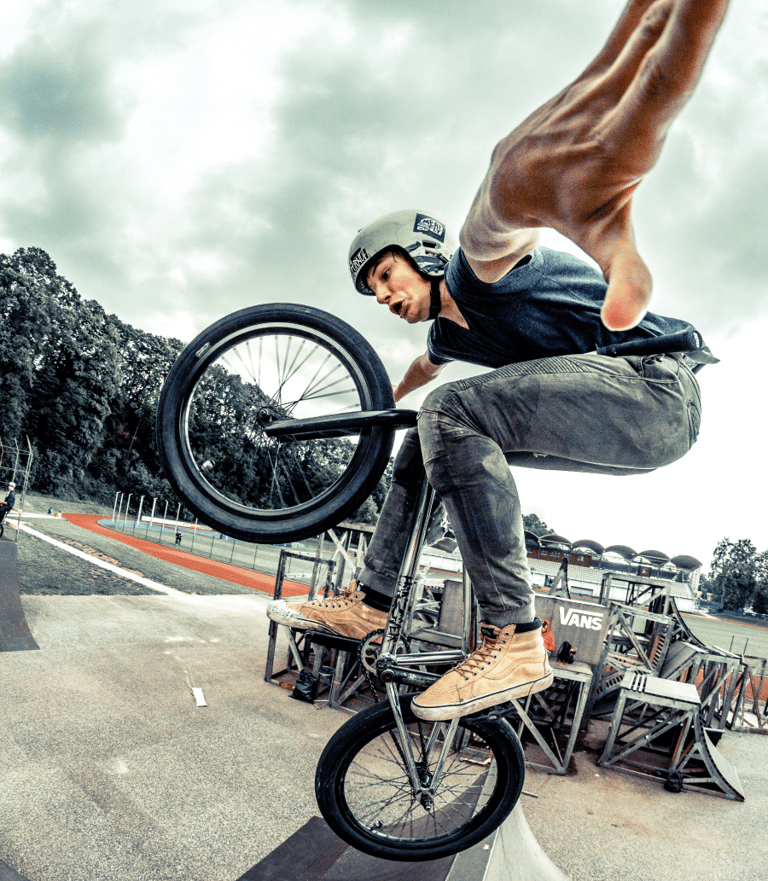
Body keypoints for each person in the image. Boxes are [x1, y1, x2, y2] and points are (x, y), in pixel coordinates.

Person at [267, 0, 729, 721]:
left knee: (451, 410)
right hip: (621, 413)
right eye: (373, 293)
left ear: (422, 254)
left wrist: (506, 184)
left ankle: (514, 635)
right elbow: (415, 377)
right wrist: (375, 406)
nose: (383, 296)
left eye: (386, 276)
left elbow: (495, 233)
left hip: (655, 388)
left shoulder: (478, 271)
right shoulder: (447, 339)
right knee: (426, 431)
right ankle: (373, 601)